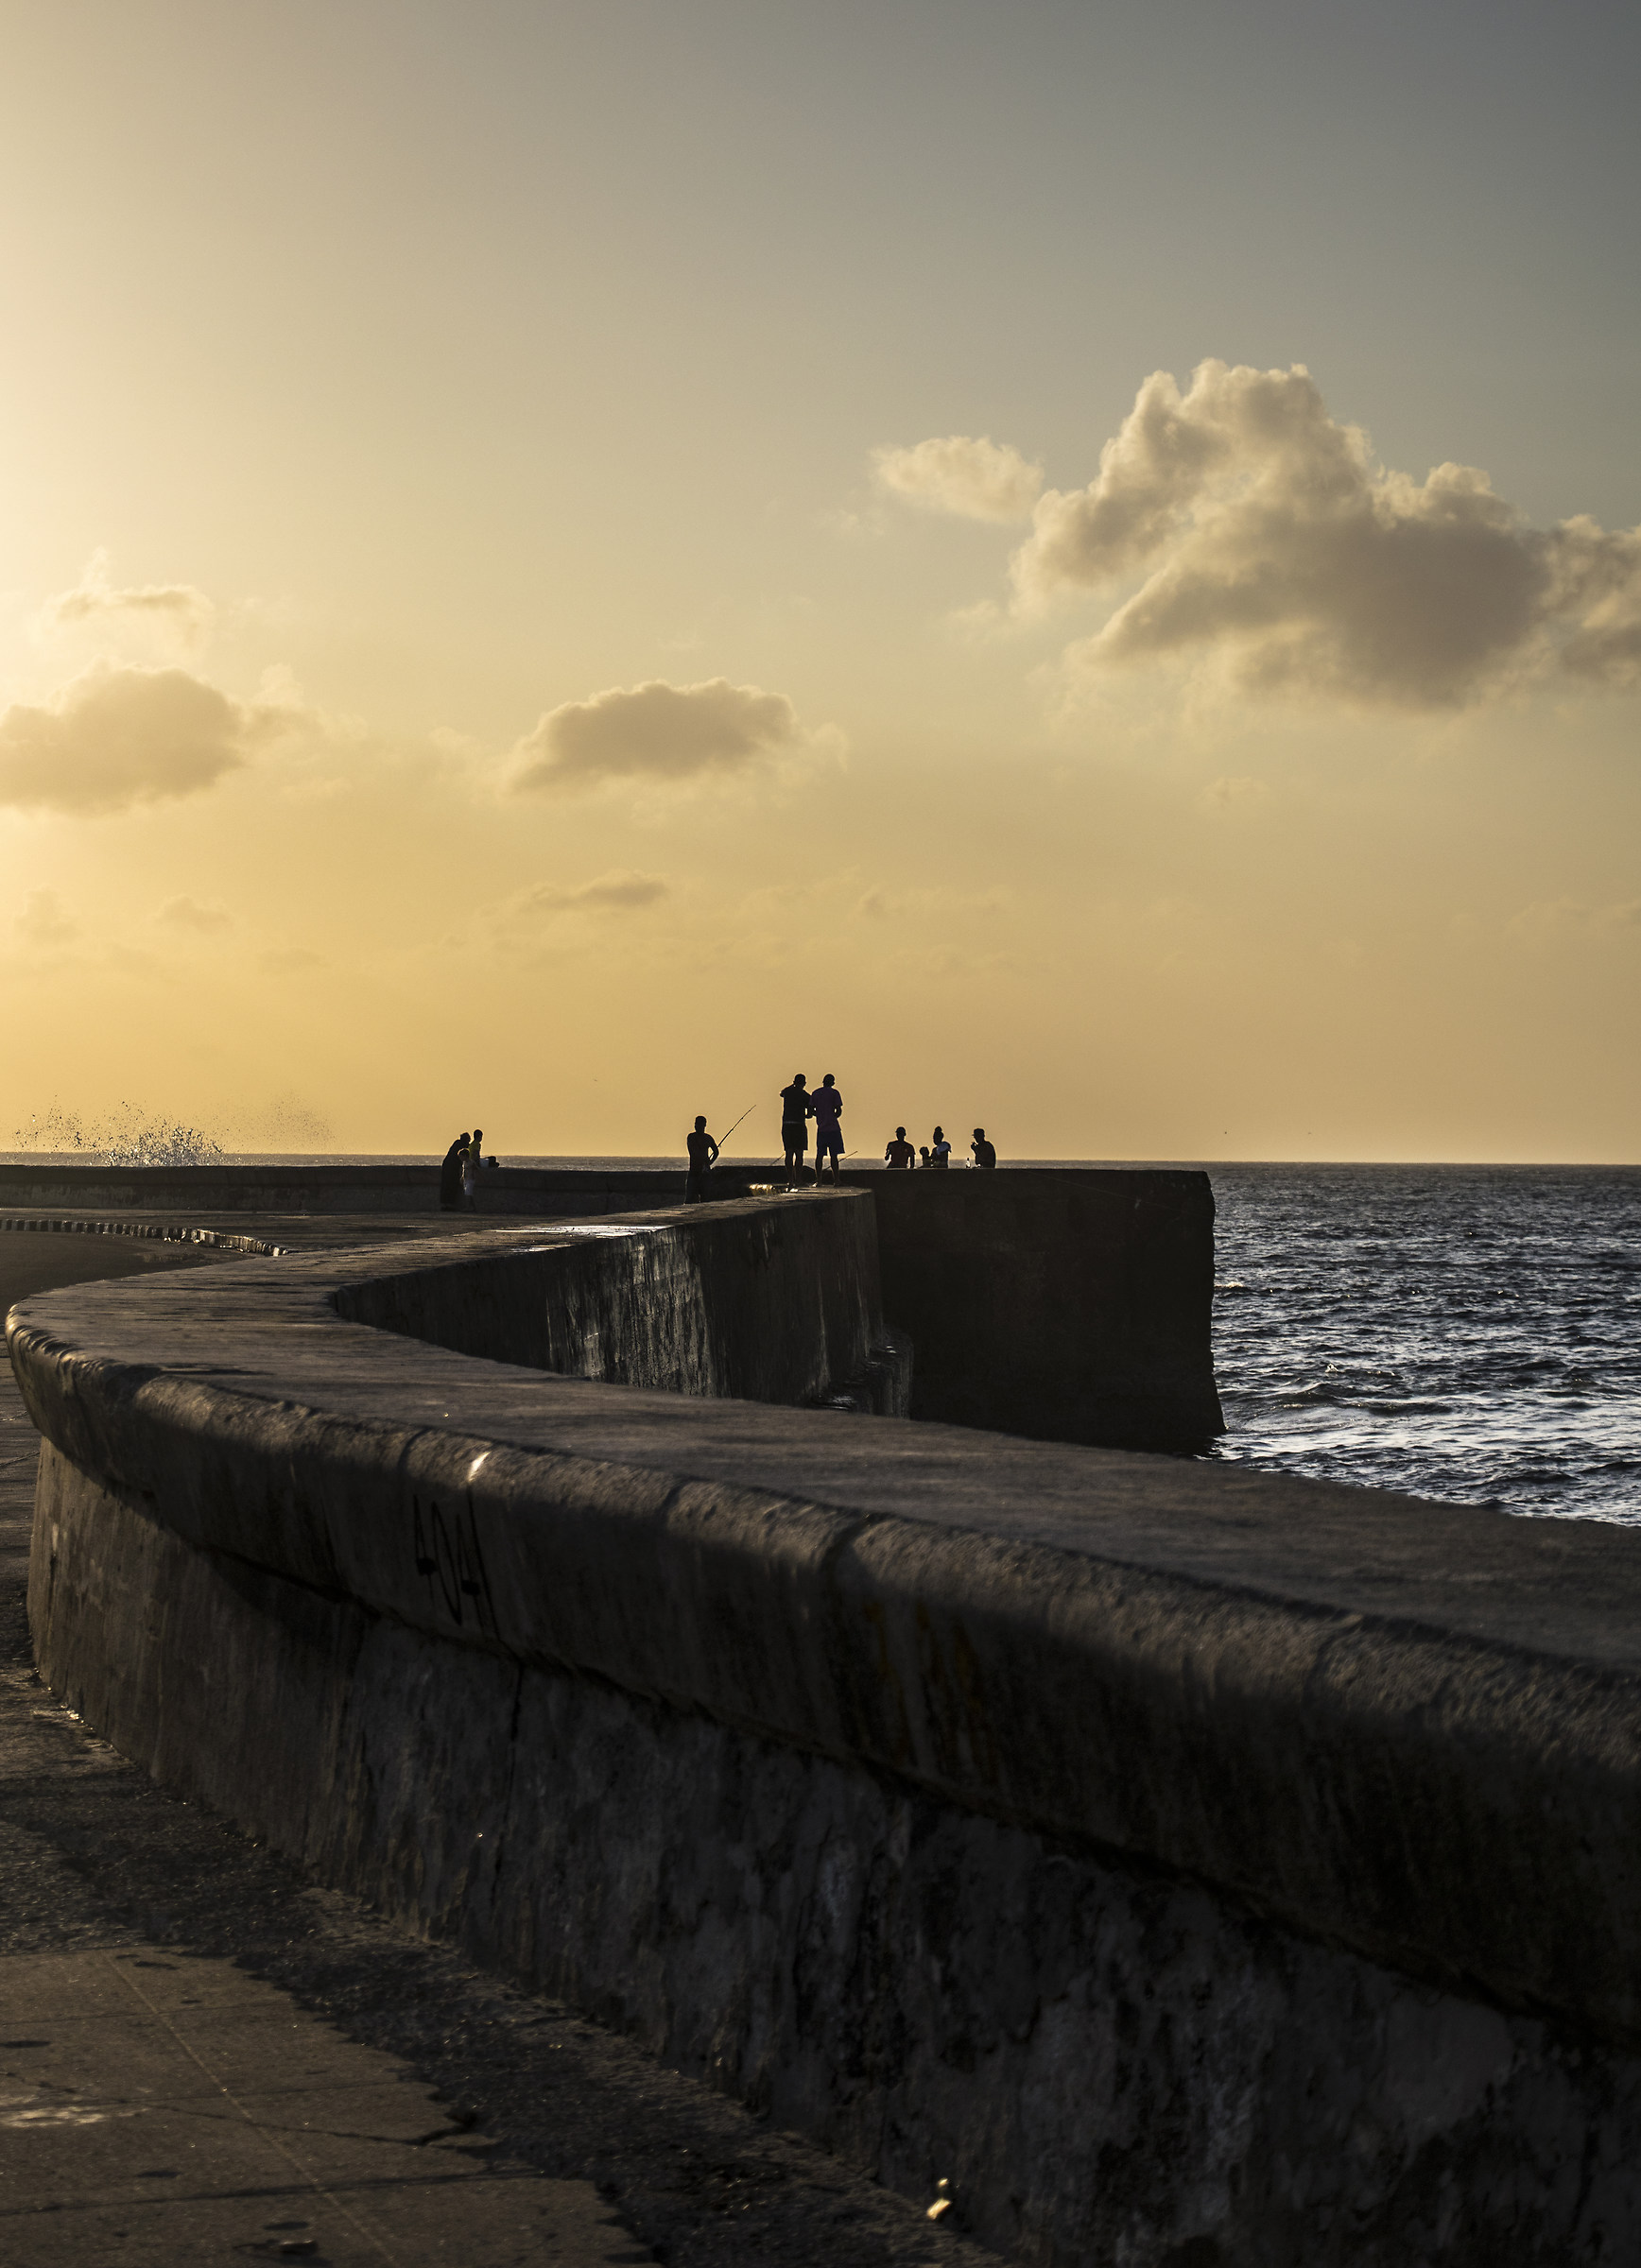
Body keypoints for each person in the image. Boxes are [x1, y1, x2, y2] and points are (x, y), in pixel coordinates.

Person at [780, 1073, 812, 1187]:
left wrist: (791, 1085)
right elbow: (810, 1113)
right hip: (799, 1125)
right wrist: (807, 1115)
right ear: (804, 1083)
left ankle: (790, 1180)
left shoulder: (787, 1092)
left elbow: (781, 1093)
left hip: (787, 1125)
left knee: (789, 1153)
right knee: (799, 1153)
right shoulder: (805, 1095)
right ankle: (798, 1179)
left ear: (794, 1082)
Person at [812, 1073, 844, 1184]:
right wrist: (832, 1117)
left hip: (821, 1129)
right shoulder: (835, 1093)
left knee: (819, 1155)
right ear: (833, 1083)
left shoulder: (816, 1093)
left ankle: (819, 1181)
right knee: (834, 1155)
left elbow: (811, 1111)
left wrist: (821, 1116)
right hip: (833, 1128)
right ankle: (836, 1180)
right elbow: (839, 1111)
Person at [685, 1114, 718, 1202]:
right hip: (695, 1171)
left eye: (699, 1124)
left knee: (705, 1198)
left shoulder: (707, 1138)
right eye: (696, 1124)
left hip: (704, 1172)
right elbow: (693, 1151)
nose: (696, 1126)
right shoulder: (691, 1137)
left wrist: (710, 1162)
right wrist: (706, 1160)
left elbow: (716, 1152)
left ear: (704, 1125)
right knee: (690, 1198)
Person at [439, 1134, 467, 1211]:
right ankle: (450, 1205)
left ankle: (444, 1204)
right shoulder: (463, 1145)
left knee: (445, 1185)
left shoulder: (456, 1143)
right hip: (453, 1168)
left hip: (447, 1165)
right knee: (452, 1185)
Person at [462, 1128, 483, 1211]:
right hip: (472, 1166)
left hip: (468, 1175)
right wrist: (478, 1163)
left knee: (469, 1193)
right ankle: (470, 1207)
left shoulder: (471, 1144)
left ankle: (472, 1207)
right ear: (479, 1137)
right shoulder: (477, 1144)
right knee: (468, 1193)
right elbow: (476, 1154)